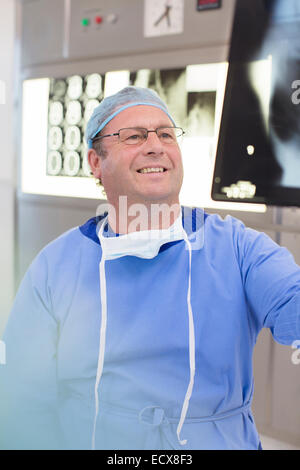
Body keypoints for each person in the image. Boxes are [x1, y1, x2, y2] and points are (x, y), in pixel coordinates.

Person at [1, 86, 300, 450]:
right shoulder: (56, 265)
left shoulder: (238, 250)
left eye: (166, 134)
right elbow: (21, 395)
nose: (155, 145)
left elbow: (292, 298)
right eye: (134, 136)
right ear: (96, 162)